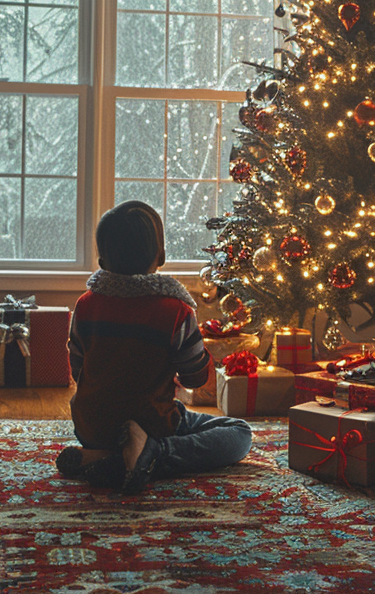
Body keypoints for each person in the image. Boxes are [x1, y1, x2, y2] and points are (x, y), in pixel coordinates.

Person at [57, 200, 253, 493]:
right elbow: (196, 379)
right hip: (153, 421)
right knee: (240, 434)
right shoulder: (175, 310)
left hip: (91, 427)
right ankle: (151, 454)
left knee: (131, 419)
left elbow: (77, 368)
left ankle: (107, 456)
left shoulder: (85, 306)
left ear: (102, 261)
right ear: (160, 255)